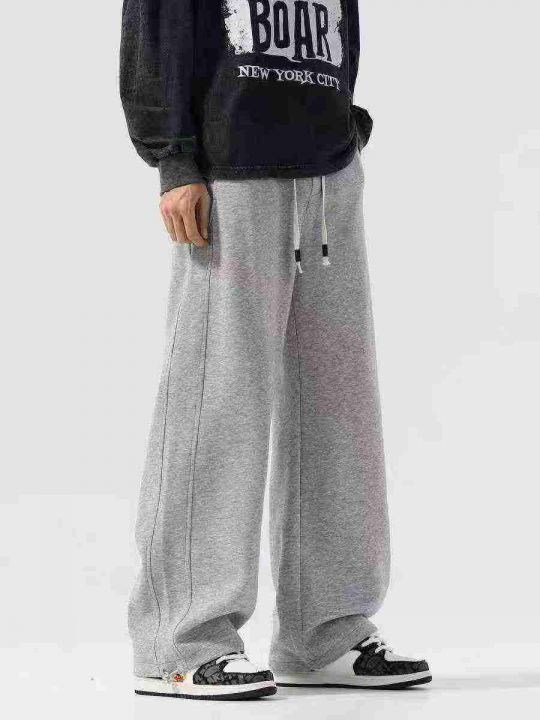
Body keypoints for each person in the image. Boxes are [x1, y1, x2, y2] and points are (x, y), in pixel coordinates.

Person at [120, 0, 431, 701]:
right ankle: (180, 640)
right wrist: (174, 160)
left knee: (340, 404)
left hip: (328, 176)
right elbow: (156, 32)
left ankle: (324, 632)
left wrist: (343, 127)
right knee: (217, 399)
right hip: (229, 175)